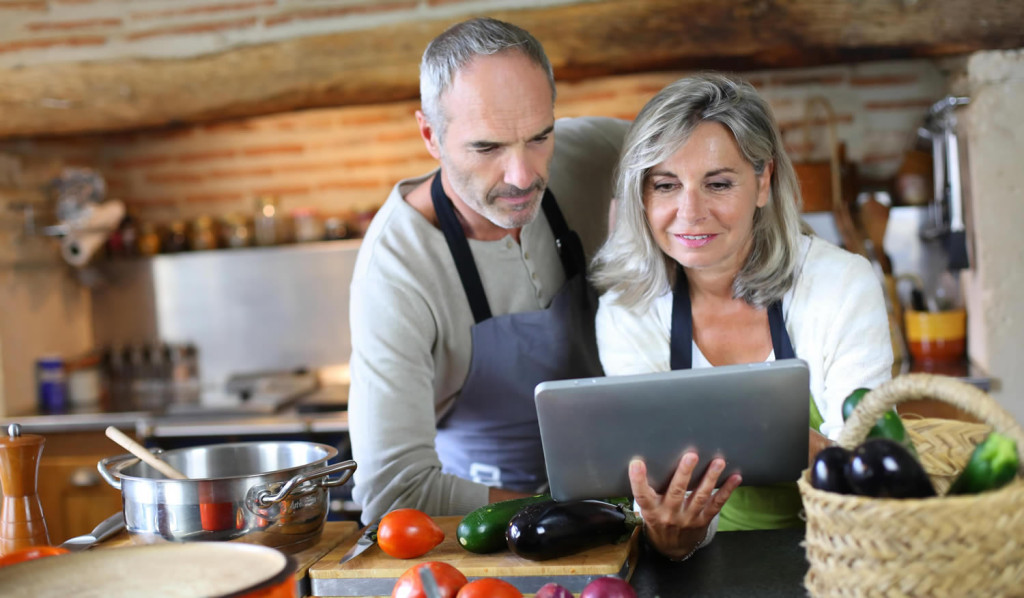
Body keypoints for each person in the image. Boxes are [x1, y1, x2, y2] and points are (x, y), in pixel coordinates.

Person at [590, 73, 893, 558]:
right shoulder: (627, 311)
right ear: (642, 196)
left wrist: (765, 430)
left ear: (763, 182)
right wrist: (675, 539)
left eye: (718, 183)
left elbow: (869, 470)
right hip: (711, 564)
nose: (690, 213)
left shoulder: (841, 285)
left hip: (846, 553)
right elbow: (667, 490)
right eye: (666, 185)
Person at [347, 17, 629, 524]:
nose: (523, 176)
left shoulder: (602, 154)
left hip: (631, 490)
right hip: (494, 536)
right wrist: (577, 514)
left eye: (540, 137)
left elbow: (732, 188)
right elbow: (393, 492)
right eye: (487, 147)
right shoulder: (395, 271)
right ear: (431, 135)